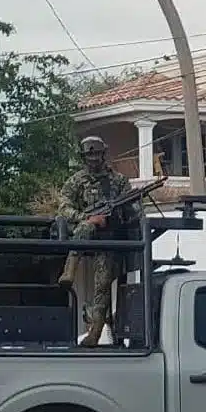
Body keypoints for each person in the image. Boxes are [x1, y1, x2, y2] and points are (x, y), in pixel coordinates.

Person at [57, 135, 132, 347]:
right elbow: (64, 207)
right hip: (87, 232)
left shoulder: (118, 181)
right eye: (89, 156)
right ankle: (69, 270)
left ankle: (95, 332)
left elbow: (132, 210)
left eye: (97, 155)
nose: (93, 160)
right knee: (85, 226)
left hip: (108, 239)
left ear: (103, 154)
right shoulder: (76, 181)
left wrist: (119, 215)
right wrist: (87, 218)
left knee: (103, 284)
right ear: (83, 158)